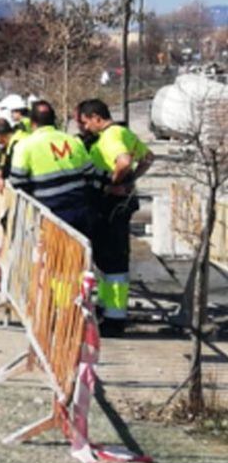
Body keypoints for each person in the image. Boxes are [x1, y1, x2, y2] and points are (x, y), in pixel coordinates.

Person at [76, 98, 155, 336]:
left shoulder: (110, 137)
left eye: (85, 122)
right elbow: (148, 157)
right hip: (123, 204)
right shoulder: (124, 132)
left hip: (110, 205)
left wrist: (114, 183)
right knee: (109, 261)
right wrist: (131, 181)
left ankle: (114, 317)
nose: (84, 128)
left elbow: (124, 161)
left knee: (112, 262)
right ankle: (108, 308)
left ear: (96, 118)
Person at [8, 100, 94, 236]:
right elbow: (90, 173)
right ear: (54, 120)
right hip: (80, 210)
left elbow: (17, 183)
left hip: (49, 216)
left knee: (54, 257)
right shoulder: (74, 141)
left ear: (32, 123)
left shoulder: (24, 146)